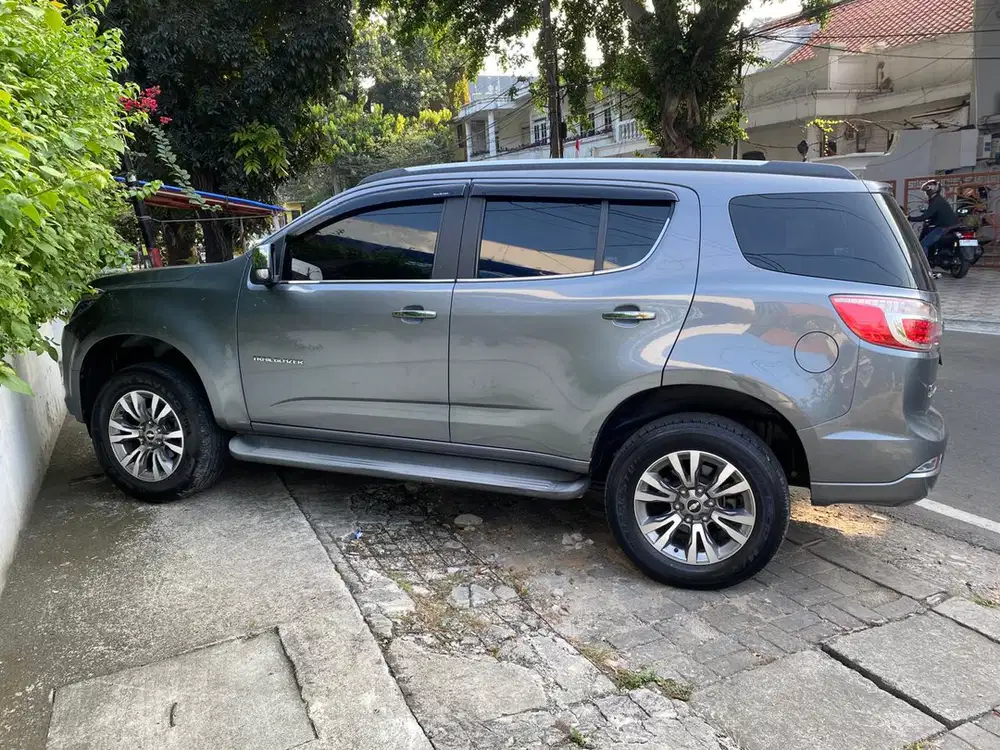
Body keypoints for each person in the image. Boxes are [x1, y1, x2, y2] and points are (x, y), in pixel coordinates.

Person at [908, 180, 958, 258]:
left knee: (924, 244)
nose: (926, 193)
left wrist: (910, 218)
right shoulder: (939, 199)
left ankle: (923, 264)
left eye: (926, 191)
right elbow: (935, 213)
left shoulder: (936, 201)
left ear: (931, 190)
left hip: (944, 227)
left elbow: (925, 216)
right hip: (951, 225)